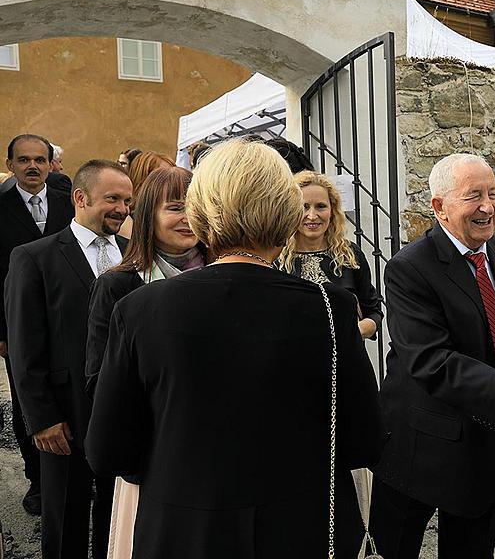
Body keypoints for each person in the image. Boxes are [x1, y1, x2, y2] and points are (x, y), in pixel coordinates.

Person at [84, 138, 382, 559]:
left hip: (185, 529)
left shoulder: (140, 309)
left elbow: (107, 450)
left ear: (202, 214)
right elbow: (365, 441)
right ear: (285, 214)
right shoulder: (331, 308)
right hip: (303, 527)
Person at [369, 153, 495, 558]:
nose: (488, 207)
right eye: (473, 195)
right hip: (418, 446)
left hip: (484, 438)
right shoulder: (410, 268)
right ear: (439, 207)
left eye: (493, 194)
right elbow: (431, 360)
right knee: (394, 547)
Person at [5, 160, 131, 559]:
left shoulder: (134, 255)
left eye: (127, 201)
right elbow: (24, 344)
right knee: (65, 515)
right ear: (80, 197)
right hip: (65, 412)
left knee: (117, 516)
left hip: (123, 410)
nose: (122, 209)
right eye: (112, 198)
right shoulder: (34, 257)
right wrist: (41, 417)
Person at [84, 166, 203, 559]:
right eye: (175, 208)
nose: (188, 218)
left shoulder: (227, 278)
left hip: (215, 454)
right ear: (148, 214)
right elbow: (99, 380)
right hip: (152, 457)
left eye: (197, 207)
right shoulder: (118, 286)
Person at [0, 133, 76, 516]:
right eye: (24, 160)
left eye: (39, 160)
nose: (32, 166)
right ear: (10, 163)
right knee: (28, 400)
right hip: (18, 325)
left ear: (50, 164)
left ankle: (76, 473)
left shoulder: (69, 204)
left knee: (70, 396)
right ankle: (39, 481)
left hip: (69, 320)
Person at [278, 171, 382, 340]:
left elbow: (374, 312)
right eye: (304, 207)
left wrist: (355, 331)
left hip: (346, 360)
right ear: (291, 210)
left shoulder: (349, 255)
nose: (312, 216)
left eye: (320, 206)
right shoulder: (277, 259)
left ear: (332, 211)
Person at [118, 151, 175, 239]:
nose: (172, 183)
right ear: (143, 180)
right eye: (162, 177)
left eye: (173, 176)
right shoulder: (126, 221)